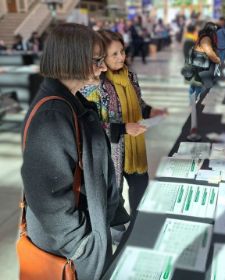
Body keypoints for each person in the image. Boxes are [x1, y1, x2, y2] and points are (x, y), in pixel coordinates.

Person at [20, 23, 119, 280]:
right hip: (65, 252)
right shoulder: (53, 115)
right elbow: (49, 199)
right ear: (72, 59)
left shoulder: (70, 102)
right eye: (97, 60)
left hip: (82, 235)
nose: (104, 67)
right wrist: (81, 245)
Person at [84, 30, 166, 218]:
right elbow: (90, 126)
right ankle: (116, 233)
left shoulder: (130, 76)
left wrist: (150, 111)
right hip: (112, 152)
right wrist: (123, 128)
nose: (122, 57)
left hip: (135, 148)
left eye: (122, 51)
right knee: (114, 199)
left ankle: (137, 227)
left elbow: (139, 103)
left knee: (141, 189)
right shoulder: (93, 85)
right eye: (115, 54)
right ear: (101, 57)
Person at [188, 22, 221, 100]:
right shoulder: (206, 38)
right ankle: (195, 106)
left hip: (198, 66)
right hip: (202, 68)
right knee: (200, 89)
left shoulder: (203, 36)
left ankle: (194, 105)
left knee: (196, 88)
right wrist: (217, 60)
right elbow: (209, 53)